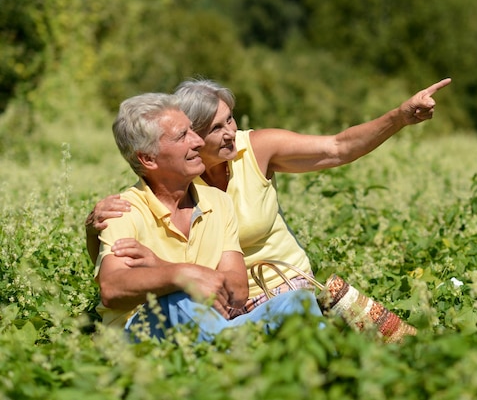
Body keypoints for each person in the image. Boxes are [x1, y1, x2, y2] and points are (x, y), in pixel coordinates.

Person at [87, 78, 452, 319]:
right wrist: (93, 229)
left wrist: (399, 117)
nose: (231, 133)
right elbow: (125, 258)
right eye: (216, 128)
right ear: (191, 135)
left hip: (282, 284)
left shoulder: (255, 149)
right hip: (218, 301)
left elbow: (338, 147)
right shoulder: (175, 177)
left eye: (230, 120)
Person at [95, 92, 321, 341]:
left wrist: (167, 268)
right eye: (183, 136)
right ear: (148, 158)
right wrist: (179, 277)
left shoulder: (218, 202)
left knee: (296, 301)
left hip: (212, 328)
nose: (198, 142)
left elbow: (237, 290)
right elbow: (112, 287)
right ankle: (242, 366)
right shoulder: (122, 210)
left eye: (193, 130)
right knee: (176, 298)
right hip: (142, 338)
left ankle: (328, 376)